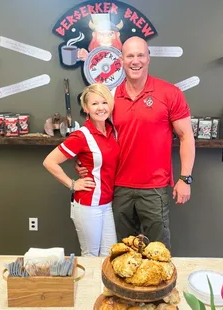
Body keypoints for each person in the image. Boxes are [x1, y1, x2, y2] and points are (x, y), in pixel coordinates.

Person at [77, 36, 195, 249]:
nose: (135, 61)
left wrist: (185, 178)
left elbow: (186, 136)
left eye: (141, 55)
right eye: (130, 56)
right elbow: (92, 136)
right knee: (125, 252)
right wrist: (81, 163)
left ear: (148, 58)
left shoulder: (169, 93)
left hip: (154, 188)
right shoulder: (111, 98)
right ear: (120, 60)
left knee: (157, 252)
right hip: (119, 186)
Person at [43, 83, 119, 257]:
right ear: (86, 108)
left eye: (104, 102)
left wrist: (80, 162)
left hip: (107, 204)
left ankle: (102, 286)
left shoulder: (112, 131)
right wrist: (72, 184)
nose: (101, 108)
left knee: (110, 257)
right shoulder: (81, 135)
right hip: (88, 205)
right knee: (91, 256)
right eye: (94, 104)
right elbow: (49, 162)